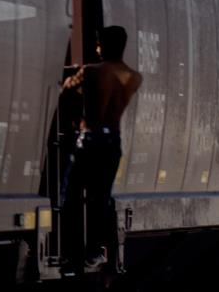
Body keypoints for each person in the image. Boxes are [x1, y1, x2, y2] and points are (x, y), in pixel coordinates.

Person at [60, 26, 142, 269]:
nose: (97, 47)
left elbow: (66, 91)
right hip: (112, 141)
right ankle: (94, 250)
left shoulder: (92, 72)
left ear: (103, 45)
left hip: (90, 138)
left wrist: (76, 121)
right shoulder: (133, 77)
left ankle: (70, 248)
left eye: (98, 43)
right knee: (101, 198)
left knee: (72, 194)